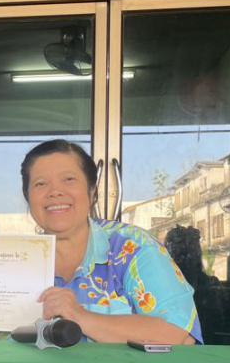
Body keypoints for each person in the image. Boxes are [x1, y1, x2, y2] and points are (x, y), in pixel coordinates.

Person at [20, 139, 202, 344]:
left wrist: (80, 317)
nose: (55, 191)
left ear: (92, 191)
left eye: (69, 179)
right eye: (40, 184)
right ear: (28, 197)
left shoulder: (134, 247)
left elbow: (175, 331)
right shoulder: (17, 261)